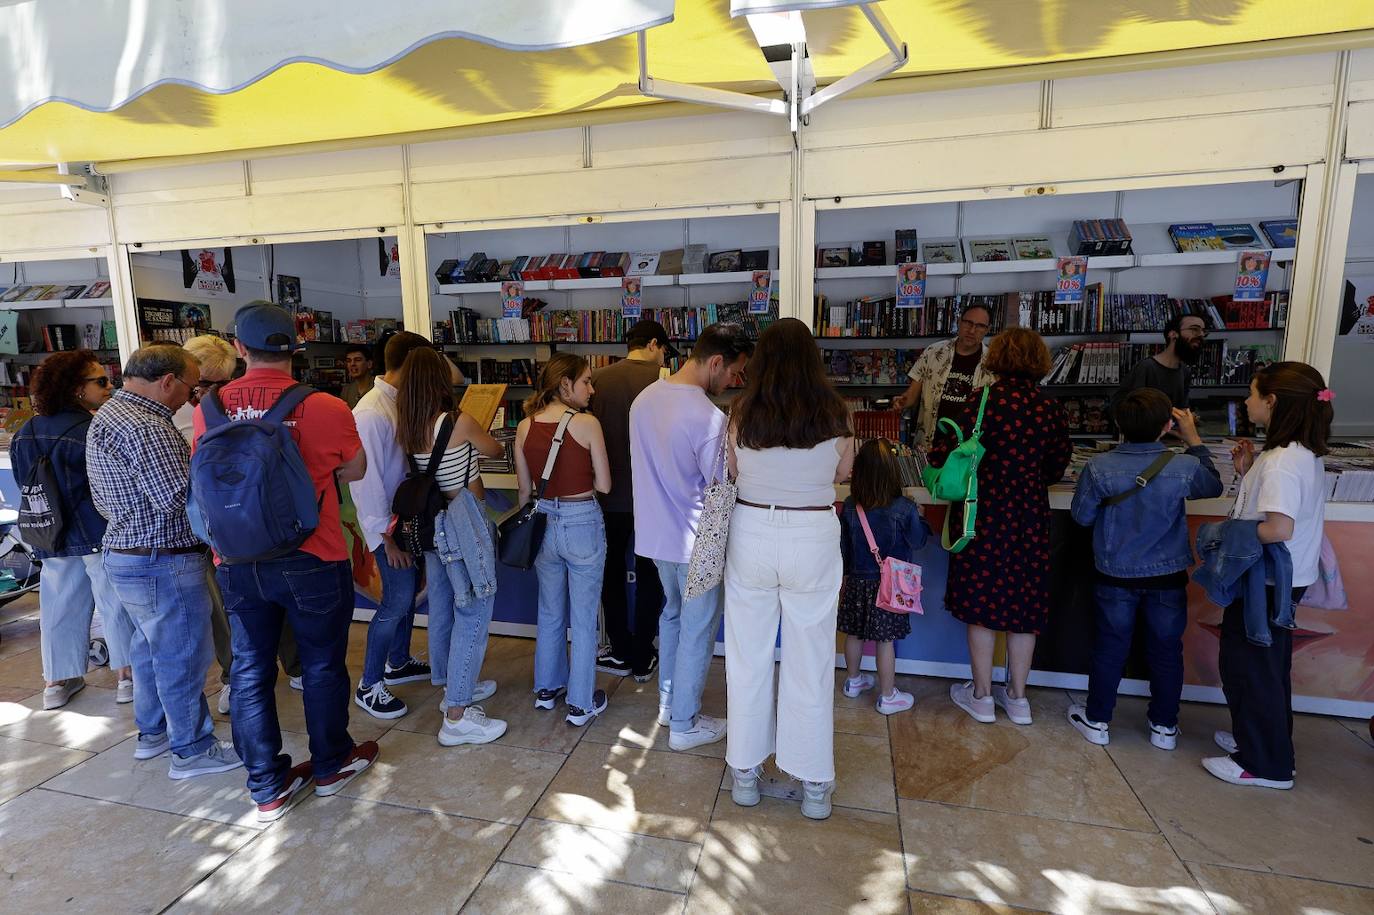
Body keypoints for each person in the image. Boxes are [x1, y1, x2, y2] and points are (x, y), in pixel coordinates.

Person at [191, 303, 377, 820]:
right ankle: (331, 764)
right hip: (313, 555)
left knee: (249, 670)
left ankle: (267, 786)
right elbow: (356, 471)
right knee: (320, 665)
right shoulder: (326, 406)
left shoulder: (210, 407)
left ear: (240, 349)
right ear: (294, 348)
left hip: (235, 558)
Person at [86, 345, 243, 779]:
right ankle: (191, 748)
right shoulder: (147, 427)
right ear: (168, 381)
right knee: (182, 655)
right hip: (162, 558)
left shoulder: (111, 414)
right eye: (191, 388)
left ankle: (153, 733)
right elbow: (177, 498)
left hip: (127, 553)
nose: (192, 399)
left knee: (150, 650)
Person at [723, 317, 855, 821]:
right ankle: (815, 783)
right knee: (813, 660)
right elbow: (843, 473)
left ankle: (745, 776)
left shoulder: (741, 412)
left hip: (752, 531)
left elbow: (734, 472)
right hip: (813, 534)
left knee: (748, 656)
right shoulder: (836, 413)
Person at [928, 328, 1072, 726]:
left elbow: (944, 450)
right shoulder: (1049, 407)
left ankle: (982, 697)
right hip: (1029, 514)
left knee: (983, 604)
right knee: (1025, 605)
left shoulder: (980, 402)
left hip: (983, 512)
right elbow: (1056, 466)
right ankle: (1019, 698)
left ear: (997, 358)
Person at [1067, 389, 1223, 749]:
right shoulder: (1183, 467)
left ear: (1118, 423)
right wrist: (1194, 439)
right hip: (1167, 576)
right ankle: (1164, 727)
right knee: (1166, 652)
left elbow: (1081, 516)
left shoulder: (1098, 467)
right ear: (1168, 425)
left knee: (1109, 648)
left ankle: (1098, 720)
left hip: (1114, 572)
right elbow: (1213, 484)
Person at [1202, 363, 1331, 790]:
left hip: (1266, 581)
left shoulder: (1282, 464)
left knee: (1249, 665)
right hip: (1281, 579)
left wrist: (1227, 533)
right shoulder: (1299, 454)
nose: (1246, 402)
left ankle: (1264, 763)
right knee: (1267, 665)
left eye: (1253, 394)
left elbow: (1278, 528)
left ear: (1272, 401)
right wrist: (1246, 472)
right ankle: (1266, 745)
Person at [629, 322, 753, 751]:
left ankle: (669, 704)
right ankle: (684, 723)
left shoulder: (644, 400)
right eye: (734, 373)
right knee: (698, 628)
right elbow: (722, 485)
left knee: (673, 616)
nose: (735, 382)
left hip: (654, 537)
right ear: (715, 362)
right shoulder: (708, 417)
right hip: (697, 542)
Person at [173, 334, 303, 715]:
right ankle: (235, 676)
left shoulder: (224, 404)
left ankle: (293, 665)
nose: (212, 391)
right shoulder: (178, 415)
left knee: (276, 593)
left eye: (220, 381)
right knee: (227, 611)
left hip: (248, 513)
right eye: (204, 383)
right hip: (210, 526)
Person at [393, 346, 507, 747]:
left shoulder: (406, 422)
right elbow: (496, 449)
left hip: (431, 524)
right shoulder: (458, 421)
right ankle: (457, 711)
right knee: (475, 609)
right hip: (463, 522)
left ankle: (447, 681)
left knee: (442, 604)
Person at [11, 351, 135, 709]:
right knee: (115, 604)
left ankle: (56, 683)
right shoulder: (91, 430)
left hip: (48, 532)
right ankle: (126, 677)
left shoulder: (25, 432)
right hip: (96, 529)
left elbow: (26, 484)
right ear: (76, 389)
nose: (109, 386)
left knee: (58, 605)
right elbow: (106, 486)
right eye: (100, 381)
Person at [514, 353, 612, 727]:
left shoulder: (525, 426)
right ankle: (580, 702)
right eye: (586, 381)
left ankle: (546, 688)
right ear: (564, 384)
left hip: (543, 522)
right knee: (584, 618)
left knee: (550, 611)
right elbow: (603, 485)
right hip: (582, 520)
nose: (591, 388)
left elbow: (524, 491)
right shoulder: (588, 424)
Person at [349, 331, 436, 719]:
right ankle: (369, 684)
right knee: (396, 600)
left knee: (408, 598)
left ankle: (397, 662)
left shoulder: (396, 403)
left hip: (403, 521)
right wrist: (386, 538)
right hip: (386, 529)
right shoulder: (370, 412)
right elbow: (365, 484)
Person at [589, 318, 677, 680]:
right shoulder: (665, 384)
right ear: (654, 344)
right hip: (652, 496)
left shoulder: (597, 380)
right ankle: (644, 654)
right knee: (650, 574)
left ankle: (620, 649)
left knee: (609, 572)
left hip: (608, 496)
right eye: (664, 350)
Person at [838, 438, 930, 716]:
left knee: (853, 634)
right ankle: (888, 696)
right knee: (885, 640)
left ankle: (853, 681)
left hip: (856, 581)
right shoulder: (904, 508)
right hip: (890, 586)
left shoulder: (851, 505)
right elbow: (918, 541)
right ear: (893, 472)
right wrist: (921, 517)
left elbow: (844, 547)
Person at [891, 303, 996, 446]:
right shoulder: (933, 352)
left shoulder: (993, 363)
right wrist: (902, 401)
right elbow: (912, 395)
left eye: (980, 326)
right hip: (930, 442)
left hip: (968, 448)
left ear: (988, 330)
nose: (972, 330)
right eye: (968, 323)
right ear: (959, 322)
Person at [1112, 313, 1207, 411]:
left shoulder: (1185, 371)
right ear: (1173, 334)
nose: (1201, 335)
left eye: (1204, 332)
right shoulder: (1146, 367)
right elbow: (1129, 410)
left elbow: (1182, 409)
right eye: (1194, 329)